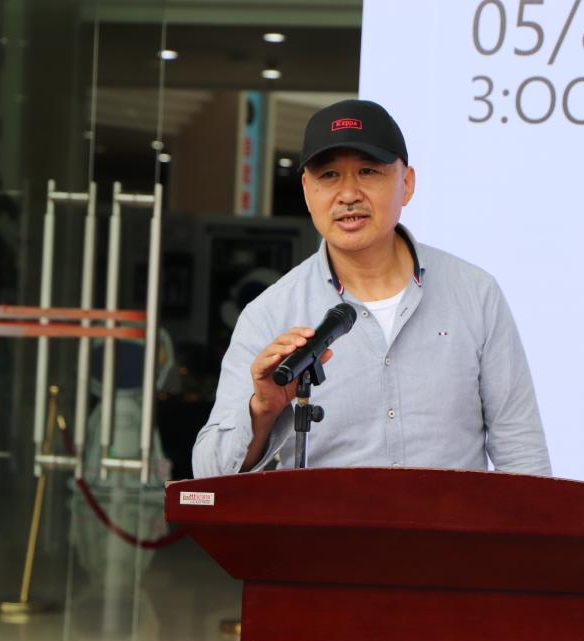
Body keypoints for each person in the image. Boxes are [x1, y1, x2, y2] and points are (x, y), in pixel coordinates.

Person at [192, 100, 549, 477]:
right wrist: (262, 409)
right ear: (307, 191)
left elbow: (522, 453)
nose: (348, 194)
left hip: (450, 520)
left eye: (367, 171)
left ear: (406, 184)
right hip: (327, 520)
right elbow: (209, 474)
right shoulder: (270, 313)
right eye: (329, 175)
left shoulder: (475, 293)